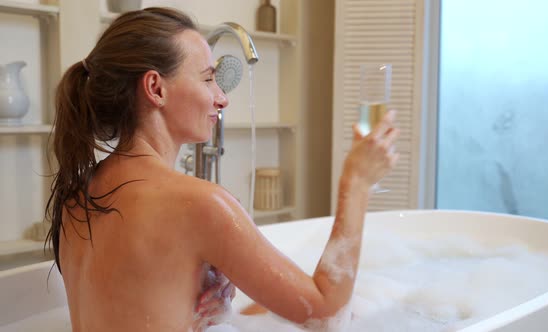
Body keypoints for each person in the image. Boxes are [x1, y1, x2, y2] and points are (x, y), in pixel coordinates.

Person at [46, 7, 400, 332]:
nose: (222, 96)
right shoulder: (198, 204)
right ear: (156, 88)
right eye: (207, 78)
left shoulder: (75, 198)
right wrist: (356, 184)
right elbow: (327, 315)